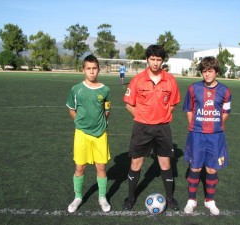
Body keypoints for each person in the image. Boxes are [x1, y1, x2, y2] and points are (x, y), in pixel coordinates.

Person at [122, 45, 181, 210]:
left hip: (162, 128)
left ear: (162, 61)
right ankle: (131, 197)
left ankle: (170, 199)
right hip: (142, 127)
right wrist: (142, 117)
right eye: (152, 59)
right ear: (147, 59)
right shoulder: (138, 79)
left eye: (159, 59)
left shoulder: (170, 79)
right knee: (136, 163)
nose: (155, 63)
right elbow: (129, 104)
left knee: (165, 163)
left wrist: (162, 116)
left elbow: (173, 103)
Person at [182, 56, 232, 216]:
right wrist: (195, 125)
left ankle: (209, 200)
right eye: (204, 71)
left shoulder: (225, 91)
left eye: (210, 71)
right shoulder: (193, 88)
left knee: (211, 168)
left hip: (215, 136)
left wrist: (214, 124)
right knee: (195, 166)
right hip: (196, 135)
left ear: (216, 72)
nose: (207, 74)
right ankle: (192, 200)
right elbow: (188, 110)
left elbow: (226, 112)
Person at [66, 55, 112, 213]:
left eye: (94, 68)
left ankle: (102, 197)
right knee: (80, 167)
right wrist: (79, 123)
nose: (92, 72)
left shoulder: (105, 90)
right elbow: (72, 110)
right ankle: (78, 197)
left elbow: (107, 111)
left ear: (98, 69)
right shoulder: (76, 89)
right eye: (88, 68)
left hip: (100, 135)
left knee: (101, 166)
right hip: (82, 134)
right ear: (83, 70)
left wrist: (100, 124)